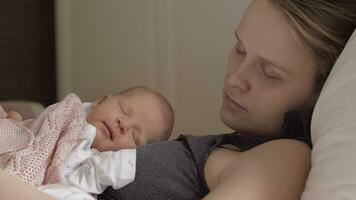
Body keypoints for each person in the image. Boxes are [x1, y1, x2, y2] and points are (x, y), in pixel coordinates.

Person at [1, 0, 355, 200]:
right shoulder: (222, 150)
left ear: (321, 93)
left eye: (269, 73)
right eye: (240, 48)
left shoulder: (286, 160)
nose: (235, 79)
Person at [0, 86, 174, 199]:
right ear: (99, 101)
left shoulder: (93, 166)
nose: (123, 124)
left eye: (135, 136)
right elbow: (37, 135)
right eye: (123, 110)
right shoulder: (70, 114)